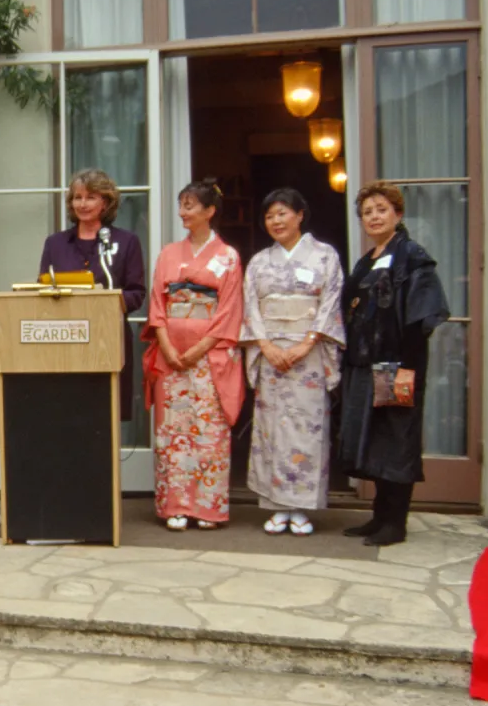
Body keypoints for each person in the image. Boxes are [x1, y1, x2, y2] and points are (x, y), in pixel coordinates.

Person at [337, 183, 449, 547]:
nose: (373, 216)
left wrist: (407, 369)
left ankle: (395, 523)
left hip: (395, 366)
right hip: (364, 365)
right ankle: (379, 517)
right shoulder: (367, 260)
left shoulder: (412, 257)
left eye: (381, 209)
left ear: (398, 214)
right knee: (374, 439)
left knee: (396, 438)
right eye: (367, 211)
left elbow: (421, 317)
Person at [239, 189, 346, 536]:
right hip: (271, 354)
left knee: (307, 427)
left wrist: (308, 342)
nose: (276, 221)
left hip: (309, 353)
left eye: (283, 213)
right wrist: (266, 346)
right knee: (272, 428)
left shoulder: (325, 256)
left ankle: (300, 506)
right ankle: (274, 504)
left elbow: (330, 302)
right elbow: (250, 307)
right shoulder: (258, 262)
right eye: (270, 216)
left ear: (300, 215)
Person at [143, 181, 244, 530]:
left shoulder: (228, 256)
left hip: (209, 356)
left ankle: (208, 508)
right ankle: (175, 506)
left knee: (208, 430)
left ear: (210, 211)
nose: (183, 212)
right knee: (173, 430)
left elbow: (230, 310)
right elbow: (157, 304)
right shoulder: (169, 253)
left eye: (190, 205)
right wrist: (169, 348)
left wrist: (198, 348)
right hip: (171, 355)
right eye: (181, 205)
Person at [38, 168, 147, 420]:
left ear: (106, 202)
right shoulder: (54, 244)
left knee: (103, 415)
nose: (82, 204)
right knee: (66, 415)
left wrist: (108, 301)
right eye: (77, 197)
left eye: (90, 197)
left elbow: (136, 293)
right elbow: (42, 287)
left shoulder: (126, 242)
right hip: (64, 339)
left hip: (106, 338)